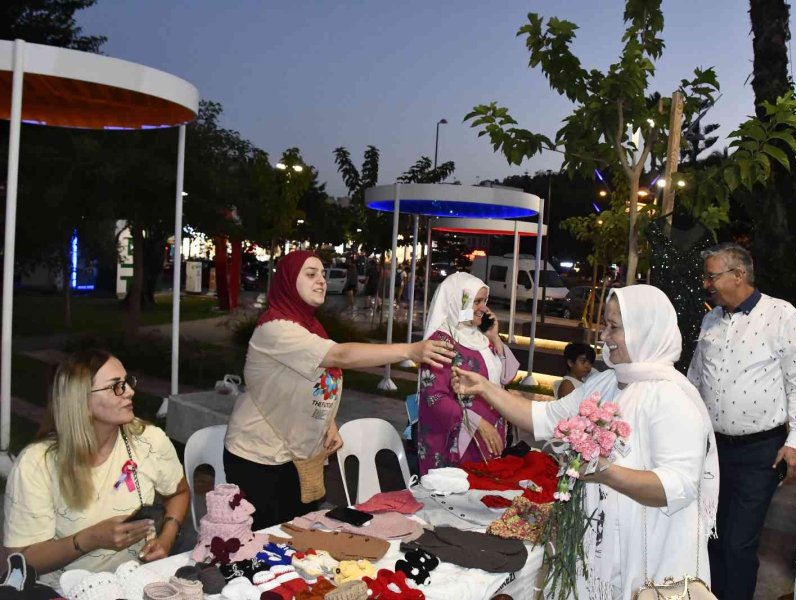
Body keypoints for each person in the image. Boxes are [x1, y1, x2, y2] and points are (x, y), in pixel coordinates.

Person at [453, 285, 718, 600]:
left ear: (645, 330)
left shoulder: (670, 397)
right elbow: (544, 418)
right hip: (604, 543)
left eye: (614, 327)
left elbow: (678, 486)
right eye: (605, 324)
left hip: (652, 553)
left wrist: (607, 473)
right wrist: (485, 388)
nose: (604, 335)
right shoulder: (608, 381)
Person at [224, 250, 455, 528]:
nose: (321, 280)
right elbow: (340, 356)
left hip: (295, 457)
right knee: (266, 542)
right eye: (310, 274)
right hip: (259, 457)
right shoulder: (276, 329)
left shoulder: (310, 327)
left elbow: (309, 382)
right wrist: (410, 350)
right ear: (287, 281)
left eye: (323, 274)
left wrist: (328, 422)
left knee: (298, 534)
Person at [687, 243, 796, 600]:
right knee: (710, 536)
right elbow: (696, 379)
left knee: (738, 543)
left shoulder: (781, 314)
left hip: (760, 452)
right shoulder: (710, 318)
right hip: (712, 449)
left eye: (712, 276)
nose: (706, 284)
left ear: (738, 275)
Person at [3, 350, 189, 588]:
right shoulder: (36, 464)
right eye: (116, 386)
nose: (130, 392)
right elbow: (16, 561)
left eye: (127, 382)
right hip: (63, 590)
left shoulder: (148, 441)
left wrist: (166, 538)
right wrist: (89, 539)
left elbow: (179, 492)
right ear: (81, 400)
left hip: (136, 583)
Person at [416, 272, 520, 473]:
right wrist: (477, 422)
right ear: (458, 302)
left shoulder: (480, 336)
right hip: (457, 441)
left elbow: (506, 378)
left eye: (485, 301)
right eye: (476, 301)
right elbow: (434, 398)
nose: (483, 308)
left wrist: (495, 337)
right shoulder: (442, 342)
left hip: (488, 436)